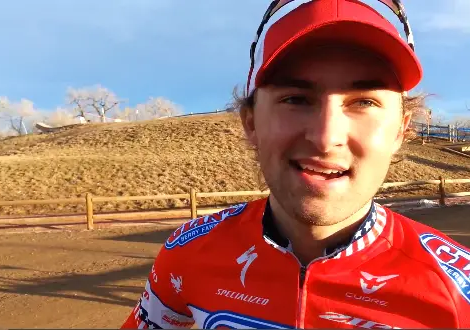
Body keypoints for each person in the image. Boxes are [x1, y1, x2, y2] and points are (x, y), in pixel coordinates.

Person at [121, 0, 470, 328]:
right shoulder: (188, 251)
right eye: (295, 99)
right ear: (251, 123)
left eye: (363, 102)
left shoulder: (459, 292)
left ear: (401, 130)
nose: (325, 137)